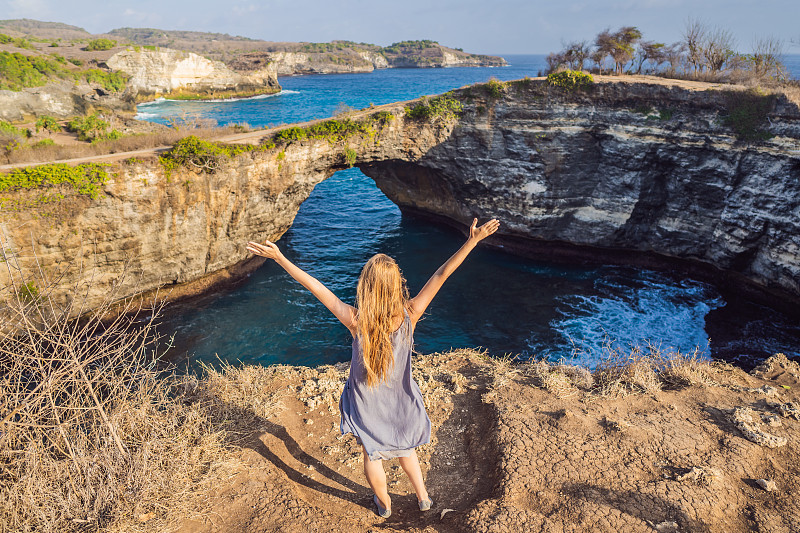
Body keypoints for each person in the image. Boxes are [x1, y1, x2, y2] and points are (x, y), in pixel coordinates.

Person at [246, 217, 500, 518]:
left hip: (366, 402)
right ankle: (423, 498)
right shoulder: (411, 314)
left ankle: (384, 505)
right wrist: (472, 240)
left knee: (372, 452)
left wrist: (280, 257)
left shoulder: (356, 321)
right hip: (401, 397)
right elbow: (442, 274)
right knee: (407, 448)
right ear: (397, 285)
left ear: (366, 287)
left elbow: (314, 286)